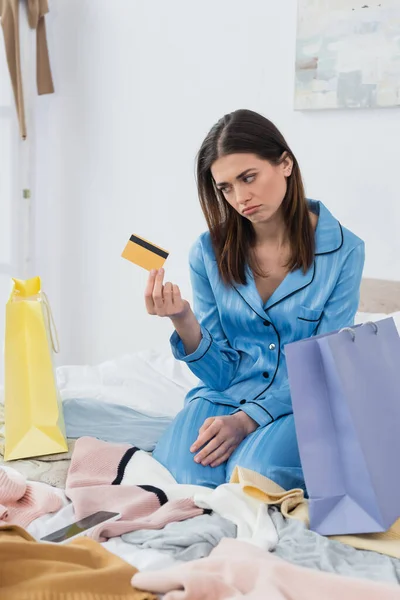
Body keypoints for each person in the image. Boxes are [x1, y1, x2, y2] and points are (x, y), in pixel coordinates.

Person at [147, 109, 365, 492]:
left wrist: (248, 420)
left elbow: (321, 366)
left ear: (284, 164)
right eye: (226, 187)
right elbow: (220, 373)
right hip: (226, 393)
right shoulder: (208, 251)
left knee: (252, 478)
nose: (240, 197)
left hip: (302, 399)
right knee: (184, 479)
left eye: (248, 177)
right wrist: (182, 318)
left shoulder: (345, 252)